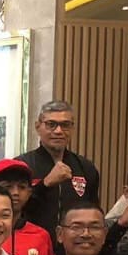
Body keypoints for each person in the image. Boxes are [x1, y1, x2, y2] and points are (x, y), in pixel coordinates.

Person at [16, 100, 101, 236]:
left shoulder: (86, 167)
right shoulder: (21, 165)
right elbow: (13, 209)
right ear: (38, 127)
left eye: (65, 125)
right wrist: (45, 184)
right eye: (51, 124)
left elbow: (93, 212)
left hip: (74, 243)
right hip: (32, 242)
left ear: (72, 128)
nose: (58, 131)